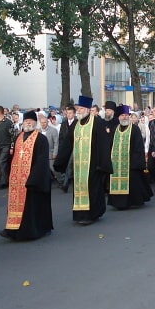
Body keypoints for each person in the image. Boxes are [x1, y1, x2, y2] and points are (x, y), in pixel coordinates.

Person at [0, 111, 53, 240]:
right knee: (14, 206)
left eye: (31, 121)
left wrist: (33, 179)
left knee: (31, 207)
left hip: (33, 180)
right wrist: (9, 173)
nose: (28, 123)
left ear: (35, 123)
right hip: (17, 179)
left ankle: (29, 232)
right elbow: (13, 156)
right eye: (26, 121)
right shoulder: (18, 137)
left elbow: (42, 161)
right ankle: (12, 229)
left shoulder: (41, 139)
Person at [66, 95, 113, 225]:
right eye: (78, 109)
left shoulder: (97, 123)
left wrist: (102, 164)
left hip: (93, 164)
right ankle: (79, 215)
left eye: (81, 108)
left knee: (93, 190)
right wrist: (61, 161)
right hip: (78, 165)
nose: (79, 111)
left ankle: (92, 214)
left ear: (87, 109)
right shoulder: (75, 124)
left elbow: (103, 144)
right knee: (79, 190)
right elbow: (67, 142)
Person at [107, 105, 153, 209]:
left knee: (134, 182)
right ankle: (118, 203)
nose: (124, 117)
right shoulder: (115, 129)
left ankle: (133, 202)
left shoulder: (134, 129)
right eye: (122, 115)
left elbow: (139, 146)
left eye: (126, 115)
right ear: (118, 117)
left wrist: (136, 162)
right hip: (116, 163)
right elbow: (110, 145)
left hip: (131, 162)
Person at [53, 104, 76, 192]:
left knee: (69, 166)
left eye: (70, 113)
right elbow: (61, 136)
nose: (69, 115)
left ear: (74, 114)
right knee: (63, 165)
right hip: (65, 148)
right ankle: (65, 181)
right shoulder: (63, 124)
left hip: (73, 148)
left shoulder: (77, 123)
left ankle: (65, 184)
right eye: (67, 113)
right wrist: (61, 148)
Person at [0, 105, 15, 189]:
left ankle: (3, 182)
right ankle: (5, 179)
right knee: (0, 163)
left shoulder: (8, 122)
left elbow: (13, 135)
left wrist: (12, 147)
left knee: (2, 162)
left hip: (6, 145)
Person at [38, 114, 59, 179]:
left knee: (53, 168)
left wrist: (55, 153)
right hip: (41, 154)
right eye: (42, 122)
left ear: (47, 122)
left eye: (44, 122)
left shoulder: (53, 130)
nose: (43, 124)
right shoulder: (37, 131)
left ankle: (61, 180)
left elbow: (56, 143)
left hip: (50, 153)